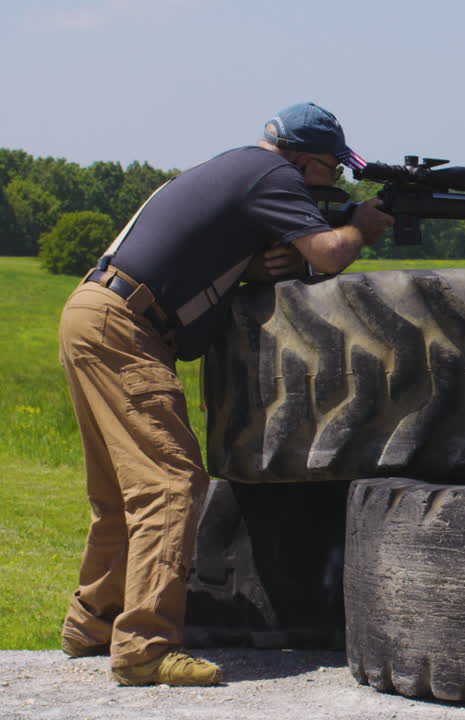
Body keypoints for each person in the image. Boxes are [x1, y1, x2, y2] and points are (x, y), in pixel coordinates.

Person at [57, 102, 392, 687]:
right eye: (330, 171)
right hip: (128, 325)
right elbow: (330, 254)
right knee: (171, 483)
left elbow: (219, 266)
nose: (331, 183)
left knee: (118, 491)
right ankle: (143, 648)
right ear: (306, 161)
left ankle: (92, 622)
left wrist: (261, 267)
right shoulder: (275, 177)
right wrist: (362, 225)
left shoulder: (235, 169)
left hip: (96, 312)